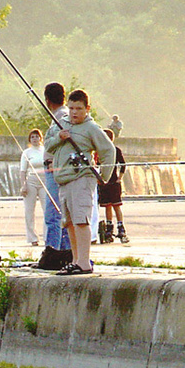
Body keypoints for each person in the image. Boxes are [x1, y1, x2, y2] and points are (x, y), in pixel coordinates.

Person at [44, 88, 115, 275]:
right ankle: (75, 260)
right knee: (69, 222)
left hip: (82, 178)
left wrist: (104, 176)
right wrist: (60, 137)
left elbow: (109, 151)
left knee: (81, 219)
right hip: (64, 180)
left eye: (79, 108)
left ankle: (84, 262)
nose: (74, 112)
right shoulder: (61, 125)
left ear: (87, 109)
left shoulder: (92, 128)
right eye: (72, 108)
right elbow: (48, 144)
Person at [41, 82, 71, 253]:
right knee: (61, 213)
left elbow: (59, 143)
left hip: (55, 171)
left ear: (47, 100)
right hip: (56, 169)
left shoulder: (61, 117)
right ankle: (64, 251)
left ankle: (53, 252)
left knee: (53, 215)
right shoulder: (62, 115)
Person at [97, 128, 128, 244]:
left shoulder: (115, 150)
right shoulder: (100, 151)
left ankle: (121, 226)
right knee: (107, 206)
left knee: (116, 205)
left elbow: (123, 164)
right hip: (104, 182)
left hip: (113, 181)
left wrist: (120, 178)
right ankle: (109, 225)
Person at [19, 129, 45, 245]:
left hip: (44, 181)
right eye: (33, 137)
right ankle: (33, 238)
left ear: (41, 138)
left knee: (47, 210)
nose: (35, 139)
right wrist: (23, 185)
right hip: (31, 181)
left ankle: (48, 236)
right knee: (29, 210)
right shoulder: (27, 152)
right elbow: (23, 170)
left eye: (37, 137)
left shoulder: (45, 150)